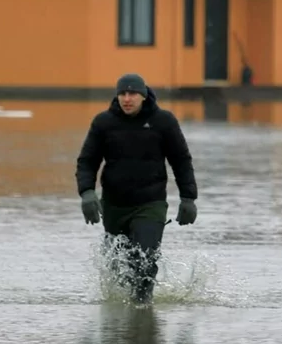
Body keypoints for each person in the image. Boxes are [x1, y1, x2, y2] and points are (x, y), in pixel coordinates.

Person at [75, 73, 198, 304]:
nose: (127, 98)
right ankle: (125, 322)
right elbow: (87, 161)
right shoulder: (104, 122)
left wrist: (188, 198)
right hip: (114, 205)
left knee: (146, 257)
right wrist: (87, 193)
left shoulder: (163, 121)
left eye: (132, 93)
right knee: (121, 266)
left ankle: (142, 308)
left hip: (150, 203)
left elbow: (181, 160)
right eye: (122, 93)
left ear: (143, 95)